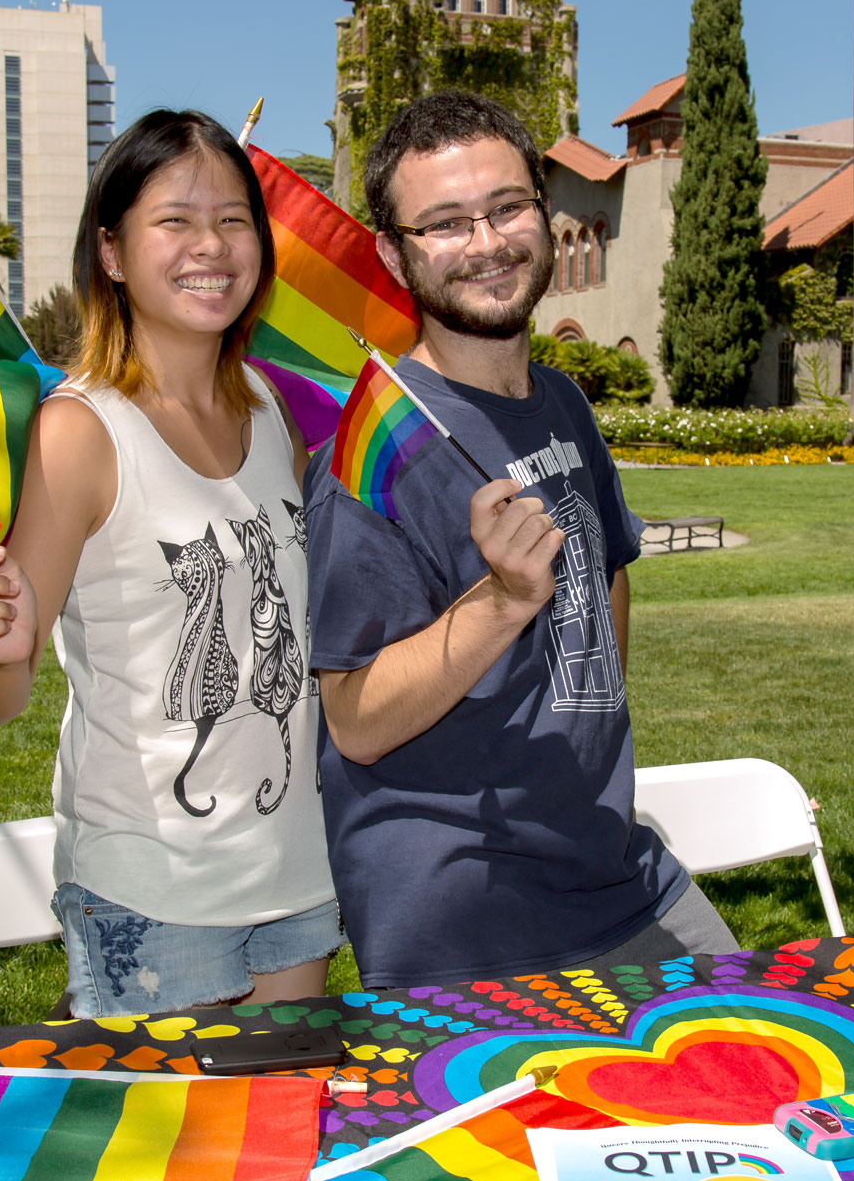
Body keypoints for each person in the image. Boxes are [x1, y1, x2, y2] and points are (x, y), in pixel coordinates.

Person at [303, 91, 736, 990]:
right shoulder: (376, 454)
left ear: (544, 211)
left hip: (615, 865)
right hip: (469, 912)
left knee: (771, 1046)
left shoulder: (563, 402)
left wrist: (587, 721)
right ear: (393, 253)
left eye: (507, 207)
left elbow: (607, 571)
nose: (487, 242)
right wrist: (502, 603)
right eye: (445, 224)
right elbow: (354, 722)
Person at [0, 109, 338, 1017]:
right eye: (175, 220)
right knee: (173, 1120)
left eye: (234, 219)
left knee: (281, 1108)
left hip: (296, 874)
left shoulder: (272, 409)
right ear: (112, 252)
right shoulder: (80, 431)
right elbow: (0, 702)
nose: (212, 245)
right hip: (153, 896)